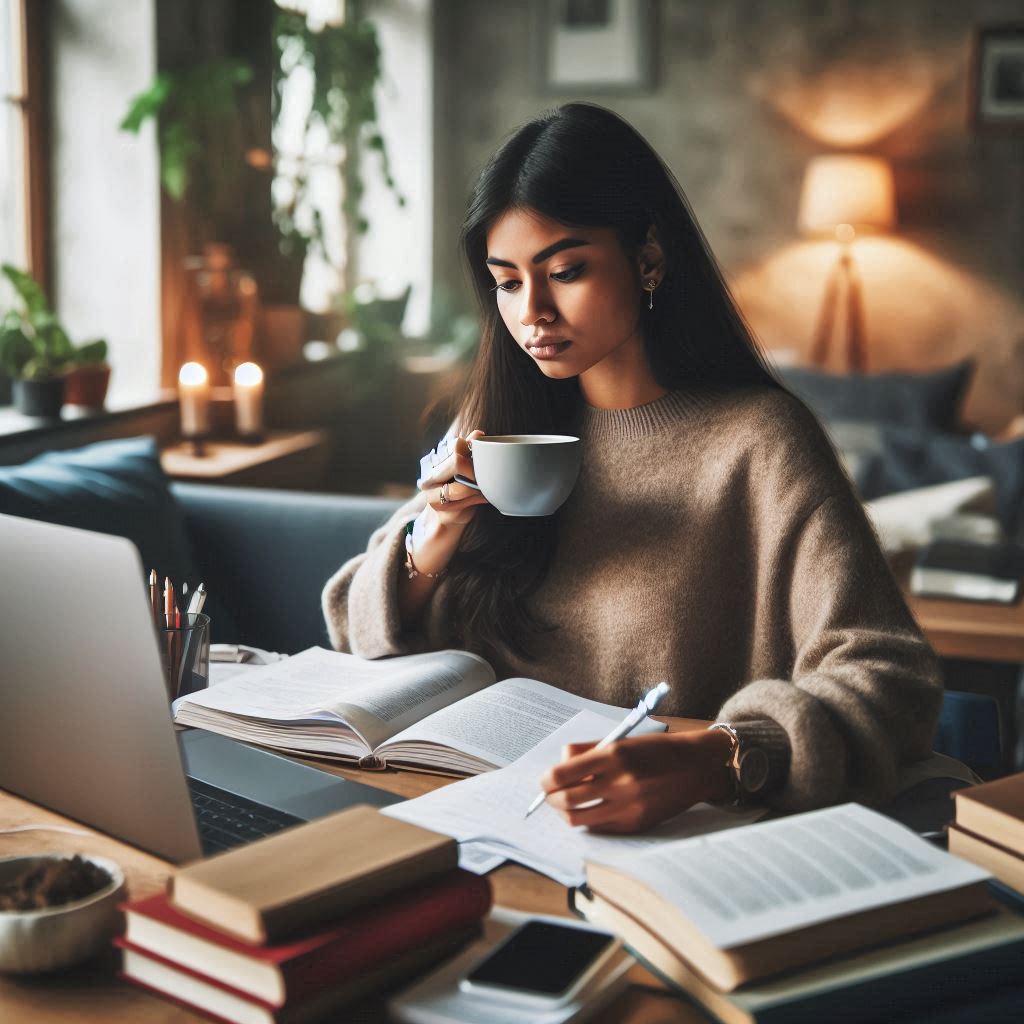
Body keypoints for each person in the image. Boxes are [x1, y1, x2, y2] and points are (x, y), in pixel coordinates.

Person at [323, 102, 941, 833]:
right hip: (468, 813)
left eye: (566, 270)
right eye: (509, 281)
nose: (533, 313)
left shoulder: (759, 443)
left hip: (664, 836)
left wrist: (723, 755)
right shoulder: (498, 425)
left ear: (648, 257)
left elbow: (890, 678)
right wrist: (437, 535)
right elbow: (351, 621)